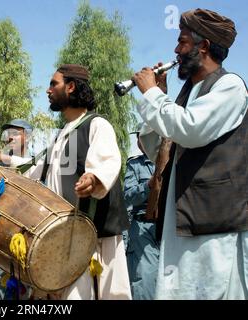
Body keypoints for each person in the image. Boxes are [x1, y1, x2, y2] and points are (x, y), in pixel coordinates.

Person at [132, 8, 248, 299]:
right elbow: (158, 148)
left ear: (203, 46)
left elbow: (189, 129)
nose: (176, 50)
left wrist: (152, 96)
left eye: (182, 42)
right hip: (180, 226)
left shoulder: (230, 87)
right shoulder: (187, 94)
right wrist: (160, 95)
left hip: (213, 231)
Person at [29, 64, 131, 300]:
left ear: (71, 86)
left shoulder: (97, 124)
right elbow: (34, 170)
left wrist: (94, 178)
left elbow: (108, 161)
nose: (48, 90)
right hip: (64, 237)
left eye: (54, 83)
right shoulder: (59, 135)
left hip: (93, 238)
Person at [123, 129, 159, 300]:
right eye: (137, 138)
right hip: (142, 227)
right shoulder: (134, 165)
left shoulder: (174, 160)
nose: (139, 141)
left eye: (142, 137)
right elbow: (127, 196)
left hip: (170, 227)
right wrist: (147, 186)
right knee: (144, 280)